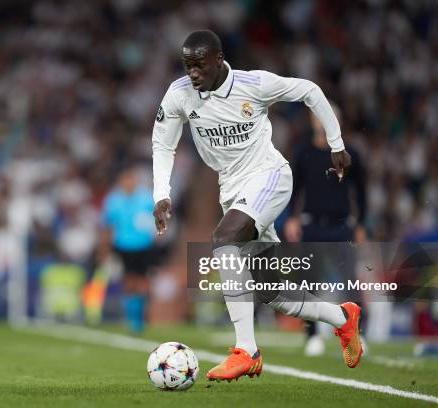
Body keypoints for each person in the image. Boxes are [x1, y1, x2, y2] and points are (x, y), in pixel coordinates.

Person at [152, 30, 362, 382]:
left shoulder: (254, 84)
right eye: (188, 66)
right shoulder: (179, 95)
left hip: (270, 176)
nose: (193, 74)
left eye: (199, 66)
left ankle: (246, 350)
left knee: (224, 239)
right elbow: (162, 144)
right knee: (272, 292)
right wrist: (161, 193)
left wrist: (336, 144)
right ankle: (343, 318)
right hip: (232, 189)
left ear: (218, 60)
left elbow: (310, 91)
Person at [285, 104, 368, 356]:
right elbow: (293, 188)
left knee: (350, 284)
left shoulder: (349, 152)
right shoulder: (304, 152)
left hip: (342, 227)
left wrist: (362, 223)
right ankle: (312, 336)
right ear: (313, 121)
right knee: (309, 284)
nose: (323, 121)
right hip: (311, 226)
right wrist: (291, 218)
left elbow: (361, 191)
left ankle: (357, 334)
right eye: (319, 116)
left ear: (338, 121)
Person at [101, 166, 156, 333]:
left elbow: (156, 221)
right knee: (128, 281)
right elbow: (109, 226)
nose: (128, 183)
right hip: (123, 245)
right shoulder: (113, 200)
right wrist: (105, 249)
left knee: (143, 282)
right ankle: (133, 318)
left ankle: (141, 316)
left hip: (144, 245)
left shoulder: (146, 198)